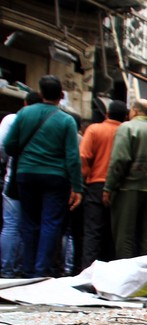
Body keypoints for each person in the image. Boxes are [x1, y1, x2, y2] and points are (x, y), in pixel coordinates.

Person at [2, 75, 83, 278]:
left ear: (40, 93)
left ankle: (28, 269)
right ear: (61, 95)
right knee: (51, 223)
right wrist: (77, 187)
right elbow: (72, 156)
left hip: (26, 175)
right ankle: (42, 270)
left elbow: (10, 145)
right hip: (56, 178)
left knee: (28, 222)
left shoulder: (24, 114)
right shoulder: (66, 120)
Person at [103, 99, 147, 260]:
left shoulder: (126, 128)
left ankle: (126, 277)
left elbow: (120, 160)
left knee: (124, 235)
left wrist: (108, 187)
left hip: (129, 187)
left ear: (133, 111)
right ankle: (145, 276)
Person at [79, 100, 127, 269]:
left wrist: (83, 179)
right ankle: (110, 272)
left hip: (96, 185)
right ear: (126, 116)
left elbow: (84, 156)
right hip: (121, 189)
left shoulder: (94, 130)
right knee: (113, 234)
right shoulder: (127, 132)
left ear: (107, 114)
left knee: (93, 232)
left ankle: (88, 272)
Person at [0, 91, 42, 278]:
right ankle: (25, 268)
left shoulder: (13, 119)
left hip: (15, 178)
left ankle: (7, 269)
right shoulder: (49, 120)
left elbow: (3, 147)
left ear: (25, 103)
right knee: (31, 224)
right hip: (40, 182)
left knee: (11, 225)